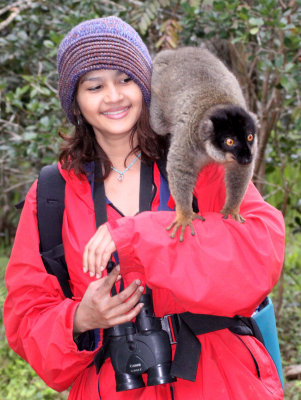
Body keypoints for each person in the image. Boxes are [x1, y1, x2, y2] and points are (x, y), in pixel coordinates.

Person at [4, 16, 285, 400]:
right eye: (94, 86)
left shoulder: (199, 161)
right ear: (75, 100)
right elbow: (26, 316)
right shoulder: (52, 194)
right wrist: (80, 319)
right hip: (115, 383)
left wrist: (139, 238)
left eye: (125, 79)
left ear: (147, 85)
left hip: (220, 381)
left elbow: (258, 255)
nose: (114, 96)